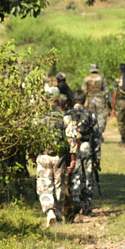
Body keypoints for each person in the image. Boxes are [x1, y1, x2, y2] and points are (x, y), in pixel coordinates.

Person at [35, 87, 78, 227]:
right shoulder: (64, 117)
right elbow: (71, 139)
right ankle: (58, 218)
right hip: (59, 158)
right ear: (59, 100)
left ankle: (49, 211)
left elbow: (32, 140)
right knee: (59, 187)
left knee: (44, 186)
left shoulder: (38, 117)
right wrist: (72, 159)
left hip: (43, 156)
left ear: (46, 99)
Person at [66, 90, 102, 218]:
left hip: (73, 147)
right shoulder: (90, 114)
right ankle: (87, 206)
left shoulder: (68, 114)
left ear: (74, 100)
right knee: (87, 176)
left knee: (75, 176)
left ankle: (76, 204)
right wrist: (97, 157)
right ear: (85, 100)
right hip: (86, 146)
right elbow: (97, 137)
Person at [82, 63, 111, 134]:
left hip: (91, 99)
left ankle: (92, 131)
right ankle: (99, 131)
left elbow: (84, 91)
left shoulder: (86, 78)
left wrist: (84, 101)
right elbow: (106, 90)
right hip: (100, 99)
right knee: (101, 115)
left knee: (91, 115)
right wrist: (109, 101)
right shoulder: (102, 78)